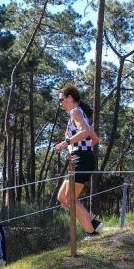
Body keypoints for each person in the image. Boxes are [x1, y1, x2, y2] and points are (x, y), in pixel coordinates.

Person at [54, 85, 104, 236]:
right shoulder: (80, 113)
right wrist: (75, 149)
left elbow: (85, 132)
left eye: (61, 100)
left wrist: (66, 143)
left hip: (81, 158)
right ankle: (93, 223)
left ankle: (91, 232)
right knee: (63, 197)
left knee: (69, 198)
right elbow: (94, 139)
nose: (60, 103)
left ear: (70, 98)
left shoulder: (75, 112)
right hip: (82, 157)